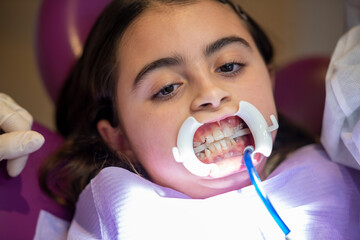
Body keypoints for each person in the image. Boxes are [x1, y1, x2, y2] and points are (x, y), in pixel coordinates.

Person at [2, 0, 360, 239]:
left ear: (269, 80)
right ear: (119, 137)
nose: (210, 93)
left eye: (229, 66)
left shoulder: (338, 167)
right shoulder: (118, 211)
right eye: (168, 87)